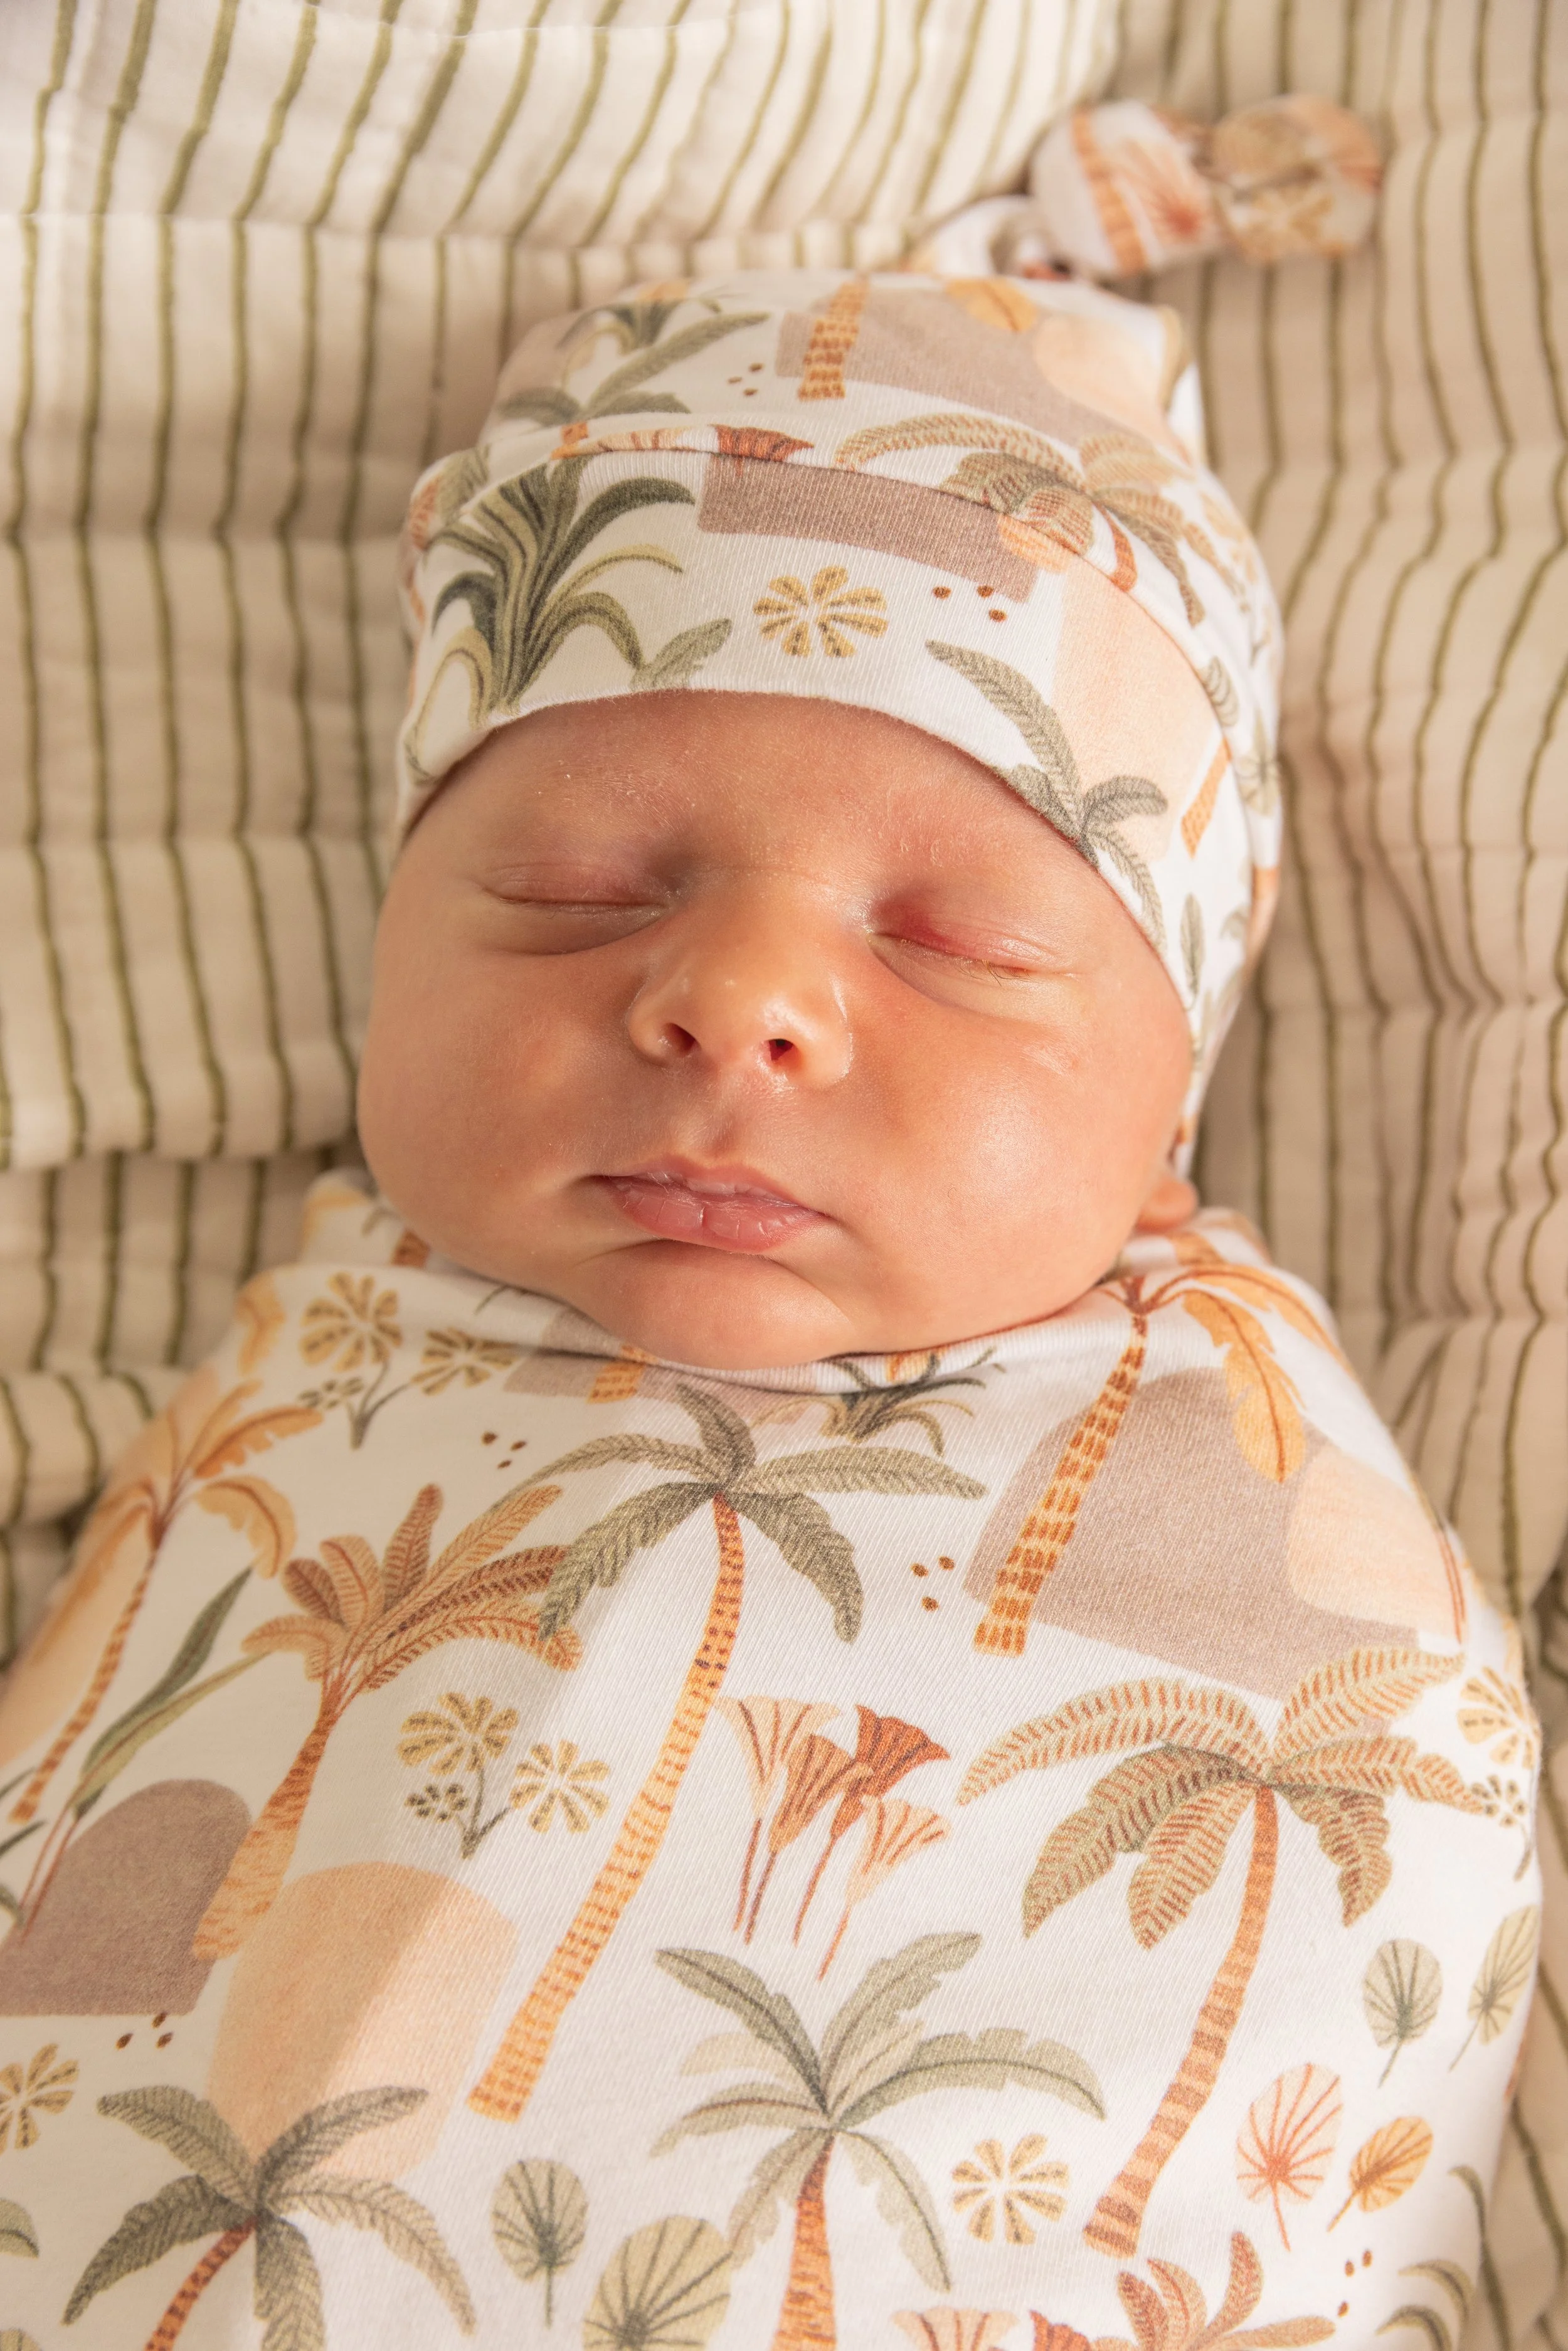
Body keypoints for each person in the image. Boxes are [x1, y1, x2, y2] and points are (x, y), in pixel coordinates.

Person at [0, 272, 1536, 2350]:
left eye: (961, 939)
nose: (736, 998)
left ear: (1169, 1077)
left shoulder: (1228, 1444)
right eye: (576, 891)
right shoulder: (312, 1338)